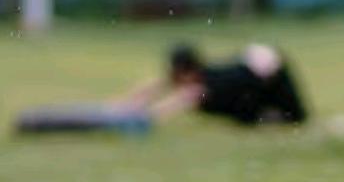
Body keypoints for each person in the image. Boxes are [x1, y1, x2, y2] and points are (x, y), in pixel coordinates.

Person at [116, 43, 308, 125]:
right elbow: (160, 84)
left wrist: (141, 119)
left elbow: (181, 99)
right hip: (256, 75)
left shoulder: (206, 86)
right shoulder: (203, 75)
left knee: (292, 117)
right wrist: (119, 107)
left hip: (268, 90)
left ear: (189, 72)